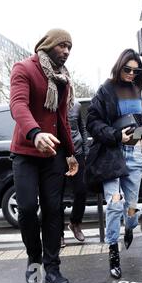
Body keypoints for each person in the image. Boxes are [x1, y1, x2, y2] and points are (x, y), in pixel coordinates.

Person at [9, 28, 78, 283]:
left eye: (70, 47)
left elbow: (61, 119)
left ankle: (52, 268)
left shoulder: (63, 79)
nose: (67, 52)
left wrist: (71, 154)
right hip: (26, 152)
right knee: (26, 209)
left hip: (54, 155)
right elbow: (18, 105)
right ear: (49, 45)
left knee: (53, 210)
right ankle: (33, 259)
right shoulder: (24, 68)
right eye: (63, 46)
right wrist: (35, 133)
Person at [86, 48, 142, 279]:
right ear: (119, 66)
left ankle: (131, 225)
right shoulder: (105, 90)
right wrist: (116, 135)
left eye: (136, 70)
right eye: (127, 69)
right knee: (114, 204)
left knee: (131, 208)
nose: (131, 74)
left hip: (134, 153)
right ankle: (113, 252)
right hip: (112, 153)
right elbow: (92, 122)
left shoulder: (137, 90)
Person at [60, 100, 88, 248]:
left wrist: (85, 151)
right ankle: (59, 234)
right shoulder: (53, 103)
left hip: (76, 154)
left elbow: (82, 129)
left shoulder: (76, 105)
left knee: (81, 190)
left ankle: (75, 223)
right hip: (58, 156)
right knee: (57, 196)